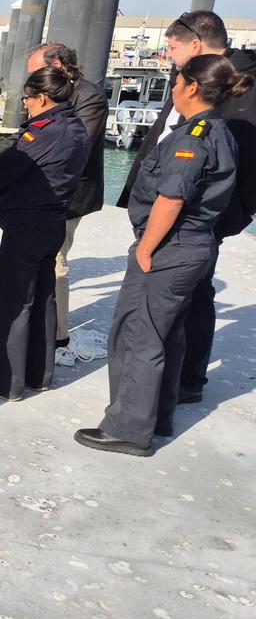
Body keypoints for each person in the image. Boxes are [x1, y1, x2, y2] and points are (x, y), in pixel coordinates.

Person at [76, 54, 245, 456]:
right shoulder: (218, 130)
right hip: (194, 246)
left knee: (137, 336)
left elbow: (171, 198)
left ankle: (128, 429)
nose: (172, 88)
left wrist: (146, 249)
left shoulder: (194, 136)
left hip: (172, 246)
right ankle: (158, 417)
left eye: (177, 81)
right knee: (168, 336)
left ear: (191, 87)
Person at [117, 11, 256, 403]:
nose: (169, 56)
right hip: (174, 215)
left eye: (173, 48)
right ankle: (168, 386)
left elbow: (233, 163)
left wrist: (223, 220)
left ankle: (180, 383)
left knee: (182, 302)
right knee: (177, 303)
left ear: (195, 44)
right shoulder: (197, 82)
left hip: (192, 221)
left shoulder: (229, 91)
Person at [0, 67, 90, 401]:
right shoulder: (77, 127)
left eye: (28, 99)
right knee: (43, 299)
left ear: (42, 97)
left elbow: (4, 169)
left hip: (27, 224)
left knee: (13, 301)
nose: (26, 105)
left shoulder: (43, 132)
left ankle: (4, 381)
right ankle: (39, 374)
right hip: (53, 221)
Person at [25, 43, 107, 347]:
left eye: (36, 72)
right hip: (41, 190)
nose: (32, 82)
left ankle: (57, 336)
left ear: (56, 64)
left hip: (69, 194)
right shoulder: (49, 91)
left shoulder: (89, 95)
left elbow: (77, 146)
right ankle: (39, 323)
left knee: (56, 261)